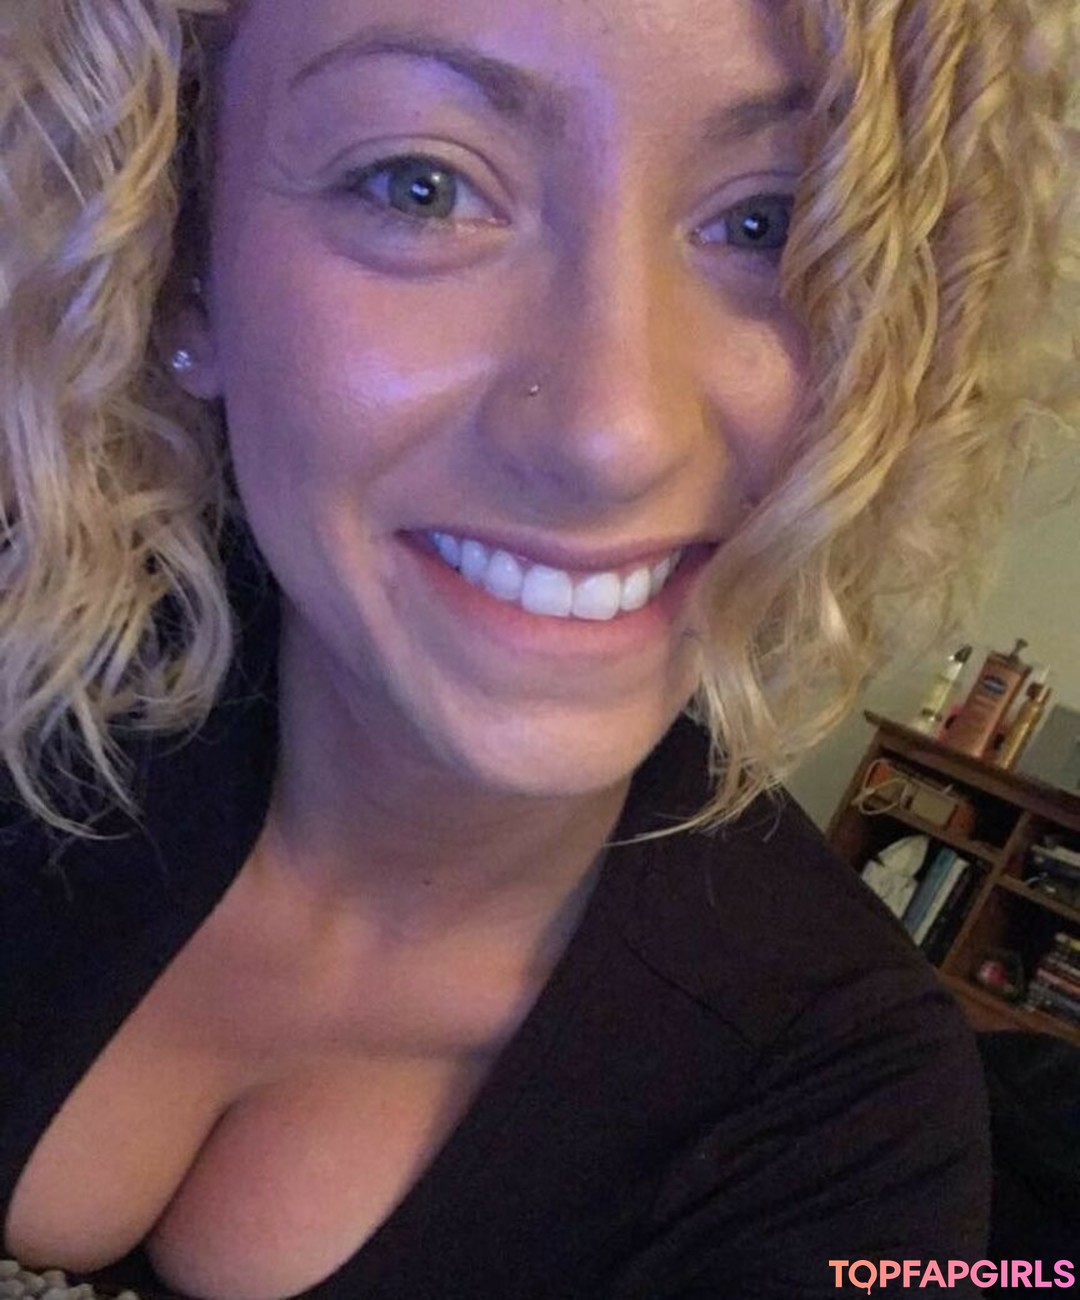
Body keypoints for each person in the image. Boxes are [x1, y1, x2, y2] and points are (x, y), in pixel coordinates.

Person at [0, 1, 1076, 1297]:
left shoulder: (847, 1126)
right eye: (422, 185)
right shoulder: (31, 659)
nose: (612, 434)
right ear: (182, 261)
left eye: (768, 222)